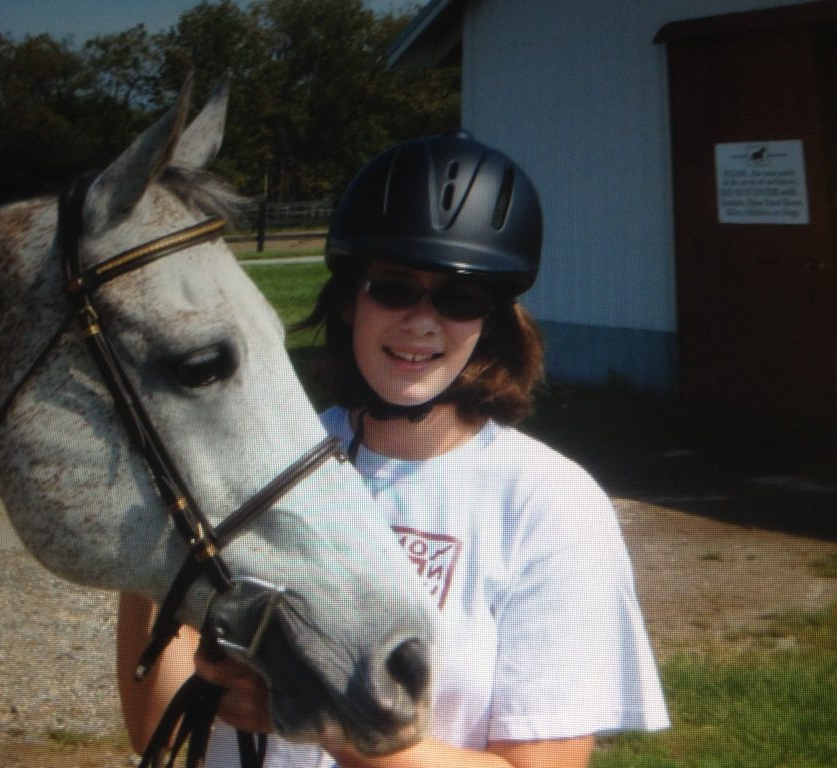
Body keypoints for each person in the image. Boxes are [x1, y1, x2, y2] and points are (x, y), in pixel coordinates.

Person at [117, 131, 670, 768]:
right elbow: (153, 727)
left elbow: (542, 765)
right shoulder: (264, 461)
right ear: (351, 298)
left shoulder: (549, 505)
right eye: (394, 287)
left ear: (490, 320)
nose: (421, 320)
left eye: (459, 297)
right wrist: (154, 553)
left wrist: (323, 718)